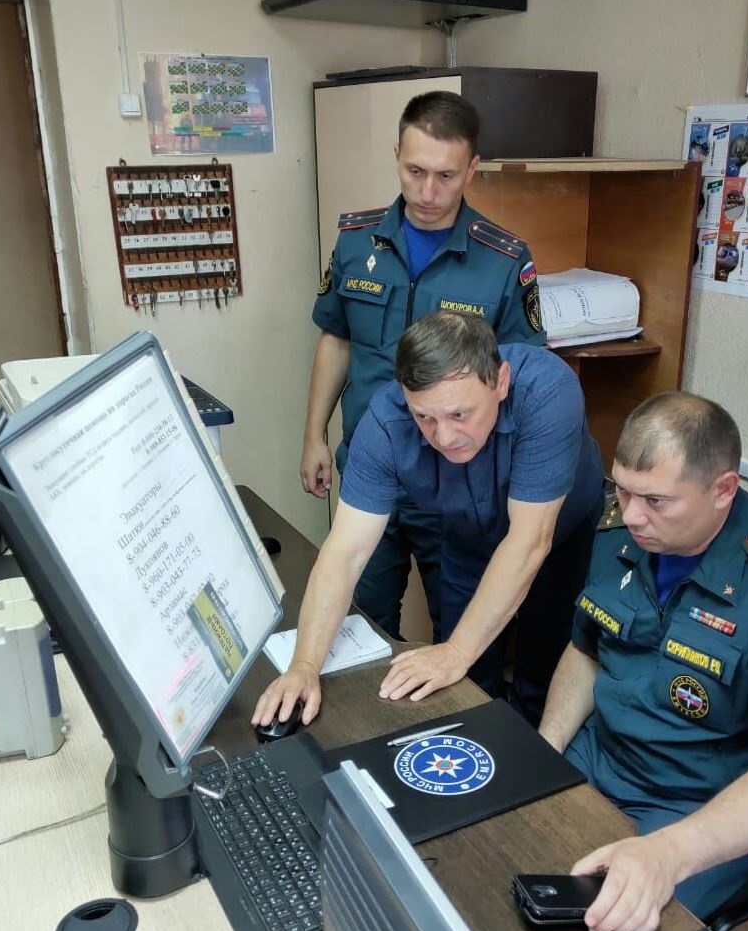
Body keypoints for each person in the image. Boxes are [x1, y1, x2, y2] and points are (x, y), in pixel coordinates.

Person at [538, 391, 748, 931]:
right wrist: (543, 750)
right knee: (491, 854)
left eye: (656, 500)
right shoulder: (622, 529)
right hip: (602, 757)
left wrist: (668, 853)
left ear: (723, 490)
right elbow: (586, 652)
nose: (632, 514)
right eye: (624, 490)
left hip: (695, 804)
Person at [256, 311, 602, 730]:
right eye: (425, 418)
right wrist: (304, 665)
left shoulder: (548, 390)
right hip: (466, 540)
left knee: (541, 674)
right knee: (465, 682)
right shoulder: (386, 420)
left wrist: (457, 651)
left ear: (502, 381)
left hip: (556, 543)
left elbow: (529, 541)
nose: (444, 437)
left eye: (460, 415)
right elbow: (345, 552)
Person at [301, 91, 545, 642]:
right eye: (415, 171)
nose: (429, 192)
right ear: (396, 157)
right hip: (372, 468)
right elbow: (336, 339)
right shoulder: (355, 240)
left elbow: (520, 377)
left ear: (472, 169)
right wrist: (313, 435)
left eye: (446, 176)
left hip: (461, 484)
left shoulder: (503, 260)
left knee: (463, 634)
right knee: (360, 625)